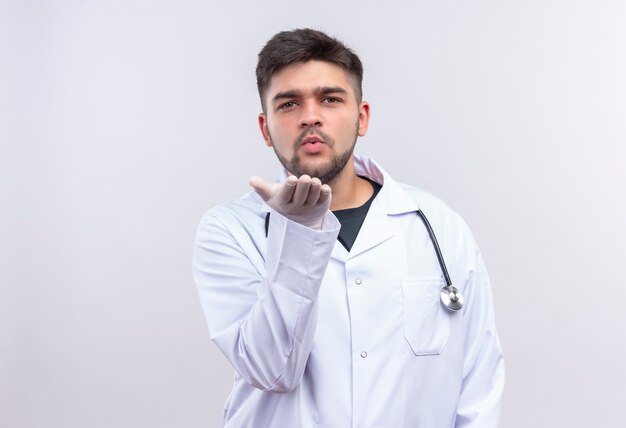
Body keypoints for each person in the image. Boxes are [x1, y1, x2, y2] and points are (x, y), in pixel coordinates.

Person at [193, 28, 504, 427]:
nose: (310, 116)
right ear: (265, 128)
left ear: (362, 118)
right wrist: (298, 233)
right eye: (288, 104)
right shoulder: (230, 231)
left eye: (330, 99)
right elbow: (272, 371)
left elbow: (479, 382)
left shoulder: (438, 224)